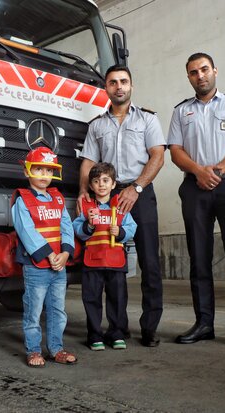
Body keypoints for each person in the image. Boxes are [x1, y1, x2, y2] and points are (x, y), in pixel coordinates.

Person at [167, 52, 225, 348]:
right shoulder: (181, 112)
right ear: (189, 77)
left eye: (204, 69)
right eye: (194, 72)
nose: (200, 76)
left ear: (215, 71)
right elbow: (175, 150)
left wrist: (218, 170)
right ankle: (204, 323)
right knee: (199, 258)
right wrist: (198, 171)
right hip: (195, 189)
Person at [78, 65, 166, 347]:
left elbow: (157, 155)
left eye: (124, 82)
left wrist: (137, 187)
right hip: (107, 196)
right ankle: (118, 327)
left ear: (131, 86)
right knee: (108, 263)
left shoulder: (148, 120)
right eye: (113, 82)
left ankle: (150, 327)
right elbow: (89, 162)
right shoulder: (96, 126)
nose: (119, 86)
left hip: (139, 193)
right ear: (106, 87)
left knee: (150, 262)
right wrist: (84, 192)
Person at [11, 147, 78, 368]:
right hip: (36, 266)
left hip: (59, 266)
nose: (43, 175)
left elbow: (66, 228)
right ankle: (33, 350)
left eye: (48, 170)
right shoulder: (23, 200)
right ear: (27, 171)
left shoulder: (58, 198)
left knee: (58, 310)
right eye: (38, 169)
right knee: (34, 310)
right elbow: (26, 231)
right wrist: (49, 254)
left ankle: (57, 349)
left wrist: (65, 253)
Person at [73, 162, 137, 350]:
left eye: (105, 180)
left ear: (113, 184)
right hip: (93, 261)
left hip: (116, 262)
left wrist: (121, 232)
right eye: (96, 181)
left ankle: (116, 333)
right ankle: (94, 335)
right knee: (91, 299)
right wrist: (89, 226)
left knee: (117, 299)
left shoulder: (121, 208)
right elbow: (77, 228)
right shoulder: (87, 208)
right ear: (91, 186)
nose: (101, 184)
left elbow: (132, 228)